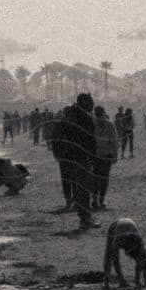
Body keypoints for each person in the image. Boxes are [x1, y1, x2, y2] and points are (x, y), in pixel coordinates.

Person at [53, 92, 98, 230]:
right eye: (90, 103)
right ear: (85, 103)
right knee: (84, 188)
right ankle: (85, 218)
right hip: (80, 158)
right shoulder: (85, 118)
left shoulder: (66, 117)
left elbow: (56, 137)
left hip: (65, 158)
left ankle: (83, 215)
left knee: (72, 184)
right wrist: (93, 158)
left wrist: (58, 154)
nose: (92, 106)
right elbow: (90, 141)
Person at [102, 218, 146, 290]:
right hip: (114, 227)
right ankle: (106, 282)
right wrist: (121, 279)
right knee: (109, 254)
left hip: (128, 227)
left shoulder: (138, 240)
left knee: (143, 257)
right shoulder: (118, 240)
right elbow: (115, 260)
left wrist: (137, 281)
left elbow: (142, 259)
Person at [90, 103, 119, 210]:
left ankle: (101, 200)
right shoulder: (92, 125)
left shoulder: (110, 125)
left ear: (103, 114)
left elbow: (115, 141)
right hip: (96, 155)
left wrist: (115, 155)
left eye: (100, 114)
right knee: (95, 178)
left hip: (107, 155)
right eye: (97, 115)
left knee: (104, 178)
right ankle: (94, 199)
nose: (99, 117)